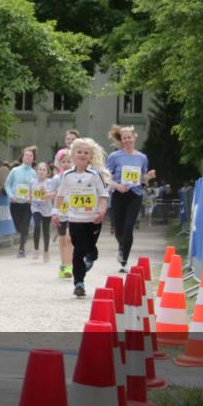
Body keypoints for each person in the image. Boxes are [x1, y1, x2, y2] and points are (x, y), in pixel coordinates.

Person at [53, 138, 110, 297]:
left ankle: (87, 262)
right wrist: (55, 212)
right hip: (75, 220)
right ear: (73, 155)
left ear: (90, 156)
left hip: (93, 220)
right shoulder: (67, 176)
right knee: (78, 251)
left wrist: (102, 210)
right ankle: (79, 283)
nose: (83, 155)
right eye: (79, 152)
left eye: (86, 153)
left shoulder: (95, 175)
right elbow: (60, 195)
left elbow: (104, 195)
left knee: (91, 251)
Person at [105, 125, 156, 271]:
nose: (127, 140)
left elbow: (142, 179)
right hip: (119, 194)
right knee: (118, 229)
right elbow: (106, 177)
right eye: (124, 138)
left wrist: (149, 176)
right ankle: (122, 247)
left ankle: (124, 261)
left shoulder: (142, 157)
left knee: (128, 228)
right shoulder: (114, 157)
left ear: (134, 137)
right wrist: (117, 185)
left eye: (129, 137)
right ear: (121, 140)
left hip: (135, 195)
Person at [5, 146, 37, 257]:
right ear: (22, 158)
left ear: (33, 159)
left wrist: (31, 197)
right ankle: (24, 234)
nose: (28, 157)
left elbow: (36, 188)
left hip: (27, 205)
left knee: (24, 226)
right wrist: (11, 196)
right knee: (18, 227)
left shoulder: (34, 173)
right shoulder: (15, 170)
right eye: (26, 155)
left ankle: (21, 249)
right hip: (15, 203)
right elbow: (7, 184)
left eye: (30, 156)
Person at [50, 152, 74, 279]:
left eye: (69, 161)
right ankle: (63, 263)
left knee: (70, 238)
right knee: (63, 239)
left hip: (73, 213)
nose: (66, 164)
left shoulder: (76, 177)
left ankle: (69, 266)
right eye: (63, 162)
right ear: (59, 164)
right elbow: (51, 194)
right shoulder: (56, 179)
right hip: (60, 212)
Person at [30, 162, 55, 262]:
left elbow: (51, 195)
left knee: (45, 230)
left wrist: (45, 191)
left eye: (44, 170)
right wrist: (29, 197)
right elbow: (30, 193)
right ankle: (36, 249)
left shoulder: (50, 182)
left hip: (47, 208)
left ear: (47, 173)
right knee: (36, 227)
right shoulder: (32, 181)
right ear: (36, 171)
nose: (41, 171)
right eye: (39, 169)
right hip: (36, 207)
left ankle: (46, 251)